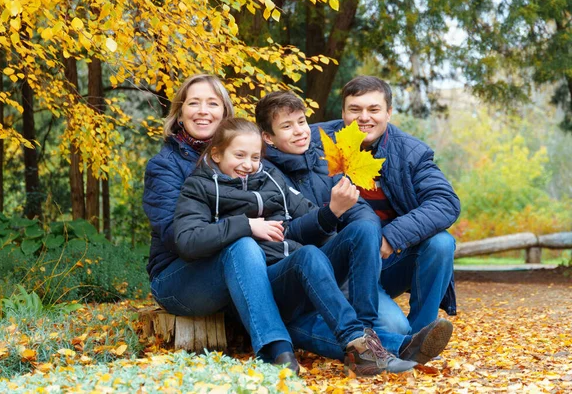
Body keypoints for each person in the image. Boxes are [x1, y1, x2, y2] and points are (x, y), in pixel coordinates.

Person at [172, 117, 417, 376]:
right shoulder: (199, 186)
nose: (248, 164)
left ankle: (363, 342)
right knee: (305, 256)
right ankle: (368, 345)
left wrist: (333, 210)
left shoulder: (269, 179)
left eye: (255, 157)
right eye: (239, 155)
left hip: (295, 271)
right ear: (217, 154)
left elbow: (309, 218)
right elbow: (188, 241)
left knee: (329, 244)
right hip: (259, 284)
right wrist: (247, 225)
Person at [255, 90, 455, 365]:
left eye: (302, 123)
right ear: (268, 137)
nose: (299, 131)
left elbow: (365, 213)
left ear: (389, 112)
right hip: (292, 279)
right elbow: (282, 234)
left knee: (372, 228)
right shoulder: (259, 171)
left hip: (340, 270)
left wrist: (384, 236)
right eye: (287, 127)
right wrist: (332, 212)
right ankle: (401, 344)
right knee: (313, 268)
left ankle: (370, 334)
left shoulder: (321, 160)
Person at [143, 75, 300, 372]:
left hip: (245, 269)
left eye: (212, 103)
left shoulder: (246, 159)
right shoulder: (165, 166)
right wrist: (245, 225)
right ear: (180, 111)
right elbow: (177, 238)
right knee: (240, 244)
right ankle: (276, 353)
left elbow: (284, 213)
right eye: (194, 103)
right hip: (179, 278)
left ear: (225, 113)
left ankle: (374, 345)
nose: (203, 110)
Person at [316, 76, 460, 335]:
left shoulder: (410, 152)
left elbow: (446, 202)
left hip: (388, 261)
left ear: (389, 113)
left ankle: (421, 334)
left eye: (374, 109)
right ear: (343, 112)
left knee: (441, 242)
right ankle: (400, 339)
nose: (364, 117)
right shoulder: (317, 143)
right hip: (339, 267)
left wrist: (391, 237)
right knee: (394, 328)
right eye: (355, 109)